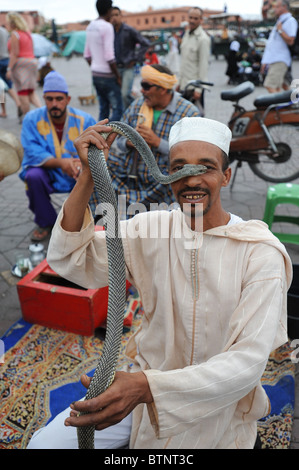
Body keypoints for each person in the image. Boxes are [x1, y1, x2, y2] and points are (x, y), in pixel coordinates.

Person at [27, 116, 292, 449]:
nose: (190, 179)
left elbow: (247, 363)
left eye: (205, 167)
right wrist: (88, 180)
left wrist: (145, 387)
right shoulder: (150, 228)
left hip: (218, 402)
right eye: (178, 167)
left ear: (225, 176)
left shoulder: (259, 253)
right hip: (142, 386)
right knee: (43, 446)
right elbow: (71, 260)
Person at [88, 63, 201, 219]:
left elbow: (193, 154)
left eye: (146, 86)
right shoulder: (137, 106)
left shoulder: (189, 113)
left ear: (162, 88)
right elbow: (118, 143)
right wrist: (128, 142)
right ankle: (102, 220)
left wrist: (157, 142)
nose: (142, 90)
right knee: (94, 167)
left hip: (161, 182)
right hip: (128, 175)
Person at [19, 71, 96, 242]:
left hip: (78, 172)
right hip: (48, 173)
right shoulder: (31, 119)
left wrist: (82, 166)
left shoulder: (85, 120)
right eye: (49, 99)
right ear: (44, 98)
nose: (54, 104)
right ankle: (47, 222)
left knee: (96, 175)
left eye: (59, 99)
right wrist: (62, 163)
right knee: (32, 176)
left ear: (67, 100)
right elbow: (31, 151)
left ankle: (84, 222)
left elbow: (96, 150)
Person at [84, 0, 123, 121]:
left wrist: (95, 67)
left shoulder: (90, 26)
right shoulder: (107, 27)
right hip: (108, 75)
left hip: (95, 74)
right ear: (109, 10)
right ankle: (107, 135)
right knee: (118, 109)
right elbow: (109, 56)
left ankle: (99, 137)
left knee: (104, 109)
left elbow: (87, 55)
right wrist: (117, 76)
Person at [110, 7, 150, 111]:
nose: (114, 18)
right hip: (114, 68)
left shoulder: (129, 30)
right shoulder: (109, 31)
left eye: (116, 15)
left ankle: (135, 112)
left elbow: (145, 43)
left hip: (128, 67)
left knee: (125, 94)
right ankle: (124, 117)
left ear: (120, 16)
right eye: (111, 16)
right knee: (116, 96)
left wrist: (136, 59)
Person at [6, 12, 41, 117]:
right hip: (32, 62)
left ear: (12, 23)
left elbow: (14, 53)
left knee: (22, 93)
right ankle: (44, 113)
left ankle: (27, 118)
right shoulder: (27, 33)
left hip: (21, 64)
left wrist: (9, 68)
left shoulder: (15, 34)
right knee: (31, 92)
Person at [261, 0, 298, 93]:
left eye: (277, 6)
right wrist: (265, 61)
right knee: (284, 86)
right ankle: (290, 104)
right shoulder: (280, 20)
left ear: (284, 7)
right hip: (276, 58)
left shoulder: (290, 21)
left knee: (269, 85)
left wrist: (280, 30)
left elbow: (291, 40)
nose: (274, 9)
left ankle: (279, 106)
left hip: (280, 59)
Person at [178, 7, 211, 107]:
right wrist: (179, 82)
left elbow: (204, 64)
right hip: (184, 85)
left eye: (196, 18)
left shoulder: (203, 39)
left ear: (201, 20)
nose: (192, 20)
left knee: (196, 120)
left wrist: (199, 88)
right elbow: (184, 61)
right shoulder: (187, 34)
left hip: (194, 87)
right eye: (190, 17)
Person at [0, 24, 22, 119]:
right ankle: (18, 103)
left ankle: (4, 111)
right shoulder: (4, 31)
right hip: (6, 59)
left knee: (1, 88)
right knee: (7, 86)